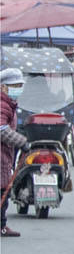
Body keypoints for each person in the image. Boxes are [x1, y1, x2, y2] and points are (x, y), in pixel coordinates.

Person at [1, 67, 25, 237]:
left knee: (4, 190)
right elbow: (2, 129)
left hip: (5, 155)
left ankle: (2, 224)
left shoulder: (9, 104)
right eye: (14, 85)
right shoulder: (2, 104)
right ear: (3, 87)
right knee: (2, 191)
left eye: (19, 85)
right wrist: (21, 141)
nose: (18, 88)